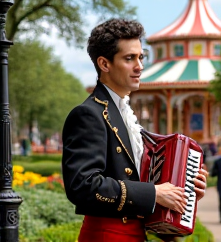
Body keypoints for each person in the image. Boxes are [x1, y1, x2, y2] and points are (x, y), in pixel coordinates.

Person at [61, 18, 208, 242]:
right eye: (129, 58)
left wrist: (185, 189)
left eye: (141, 57)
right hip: (106, 236)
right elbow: (82, 187)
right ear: (104, 64)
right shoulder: (88, 114)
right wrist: (155, 193)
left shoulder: (123, 113)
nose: (139, 66)